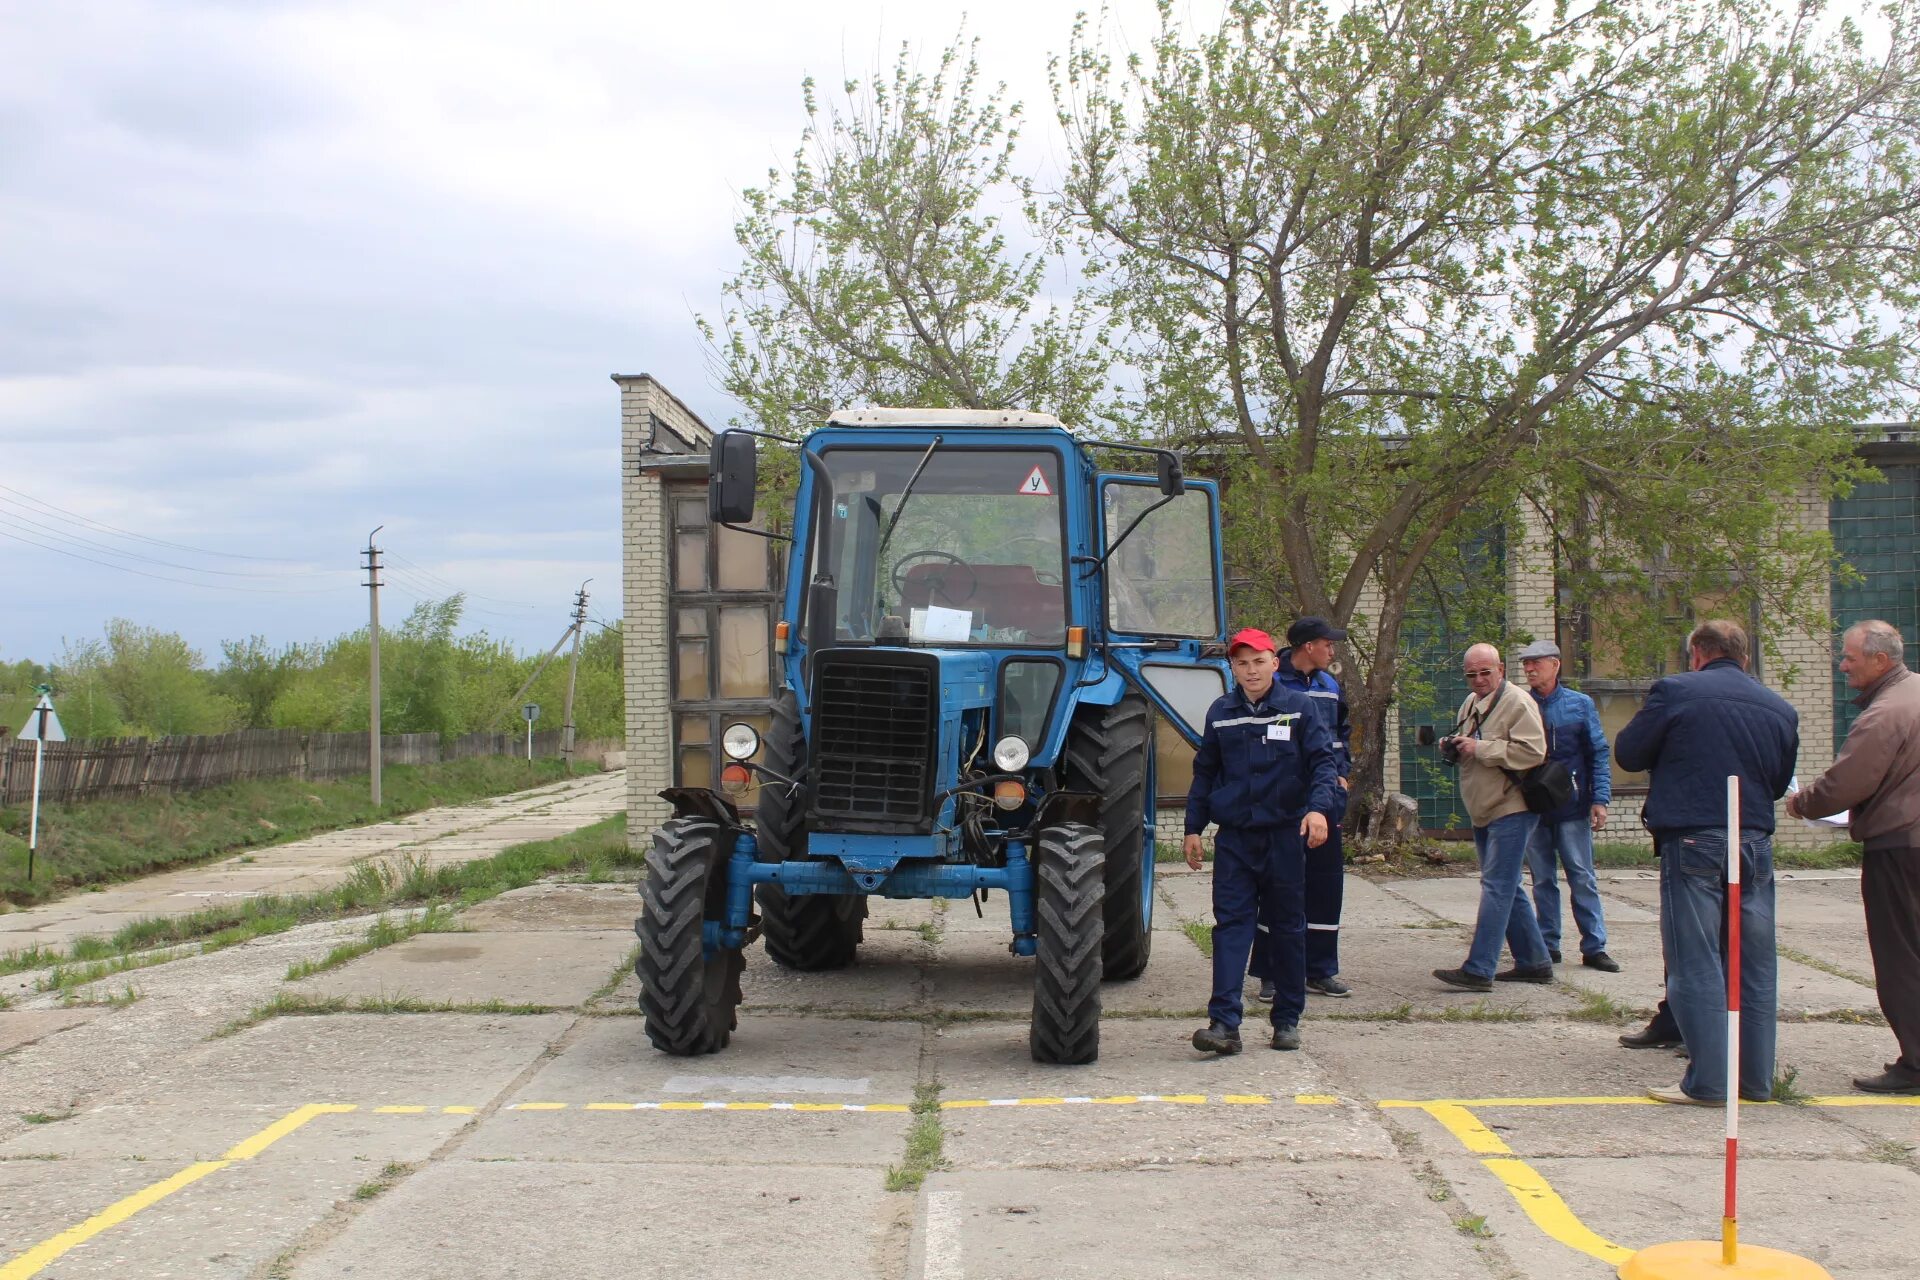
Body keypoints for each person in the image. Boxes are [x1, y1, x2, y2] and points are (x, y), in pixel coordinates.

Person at [1616, 619, 1796, 1105]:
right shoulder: (1779, 708)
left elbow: (1629, 753)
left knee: (1695, 961)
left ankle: (1710, 1081)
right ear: (1744, 656)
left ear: (1697, 652)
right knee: (1753, 964)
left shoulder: (1675, 691)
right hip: (1754, 840)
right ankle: (1756, 1080)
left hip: (1695, 840)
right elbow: (1778, 782)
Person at [1185, 627, 1339, 1055]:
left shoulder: (1299, 708)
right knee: (1231, 928)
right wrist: (1193, 828)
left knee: (1288, 928)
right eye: (1241, 663)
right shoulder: (1221, 712)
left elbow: (1324, 764)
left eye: (1258, 661)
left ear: (1275, 662)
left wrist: (1317, 809)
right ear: (1231, 668)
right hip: (1235, 841)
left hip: (1286, 837)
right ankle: (1224, 1025)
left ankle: (1287, 1020)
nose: (1250, 670)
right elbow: (1205, 772)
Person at [1786, 620, 1920, 1095]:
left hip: (1900, 847)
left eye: (1850, 658)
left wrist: (1804, 803)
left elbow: (1848, 783)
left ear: (1881, 661)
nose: (1842, 665)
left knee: (1901, 954)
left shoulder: (1885, 713)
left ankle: (1916, 1063)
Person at [1432, 643, 1555, 992]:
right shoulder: (1471, 703)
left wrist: (1481, 749)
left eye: (1486, 672)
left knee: (1497, 886)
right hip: (1483, 806)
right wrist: (1454, 745)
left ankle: (1479, 968)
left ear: (1500, 669)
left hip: (1512, 805)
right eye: (1472, 674)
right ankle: (1535, 962)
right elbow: (1471, 741)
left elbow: (1534, 751)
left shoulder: (1517, 702)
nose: (1479, 679)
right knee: (1507, 885)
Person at [1249, 616, 1354, 1001]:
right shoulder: (1273, 683)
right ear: (1308, 646)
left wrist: (1343, 775)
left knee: (1326, 884)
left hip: (1326, 799)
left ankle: (1320, 969)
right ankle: (1272, 973)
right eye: (1328, 643)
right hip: (1286, 804)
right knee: (1279, 886)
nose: (1332, 649)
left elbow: (1341, 735)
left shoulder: (1329, 684)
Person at [1515, 639, 1620, 972]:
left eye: (1536, 663)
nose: (1530, 669)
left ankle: (1594, 946)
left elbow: (1598, 753)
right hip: (1533, 805)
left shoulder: (1579, 704)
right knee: (1542, 878)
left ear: (1555, 664)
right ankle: (1549, 945)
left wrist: (1600, 799)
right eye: (1526, 664)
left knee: (1581, 875)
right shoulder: (1520, 704)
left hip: (1572, 806)